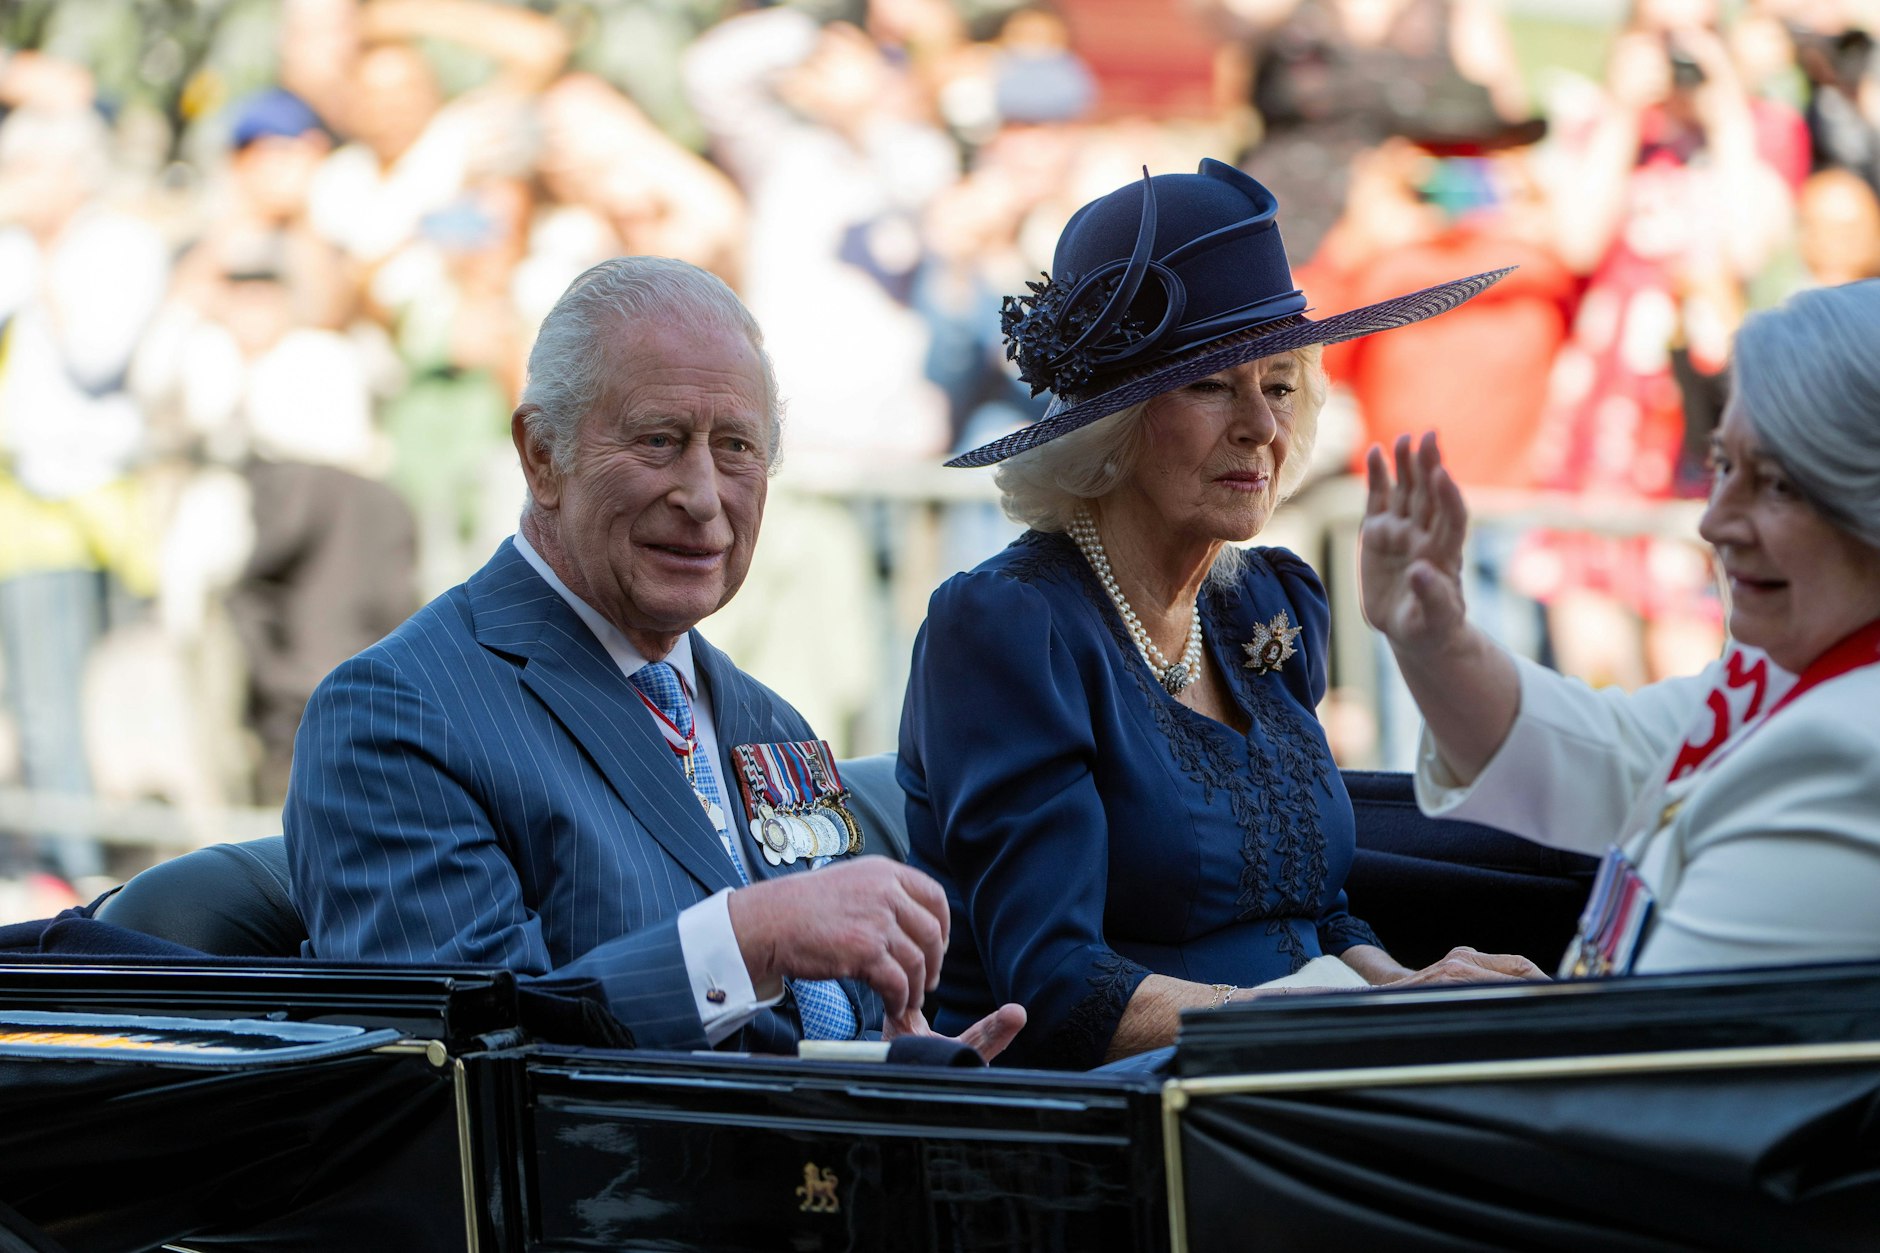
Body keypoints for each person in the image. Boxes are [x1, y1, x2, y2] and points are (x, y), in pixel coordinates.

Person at [284, 256, 1023, 1058]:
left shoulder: (769, 719)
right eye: (660, 441)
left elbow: (819, 1032)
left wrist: (906, 1063)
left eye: (736, 446)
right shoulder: (397, 713)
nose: (702, 496)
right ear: (541, 455)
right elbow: (465, 1059)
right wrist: (744, 938)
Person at [899, 160, 1544, 1071]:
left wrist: (1404, 986)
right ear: (1112, 423)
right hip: (1123, 1108)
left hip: (1296, 1071)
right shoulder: (1010, 626)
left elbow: (1314, 909)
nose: (1260, 427)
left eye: (1278, 385)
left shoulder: (1265, 602)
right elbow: (1056, 989)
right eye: (1210, 385)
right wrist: (1340, 1020)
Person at [1366, 279, 1880, 975]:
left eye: (1778, 486)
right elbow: (1606, 751)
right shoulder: (1794, 669)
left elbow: (1672, 1029)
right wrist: (1437, 641)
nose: (1714, 522)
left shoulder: (1843, 755)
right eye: (1723, 466)